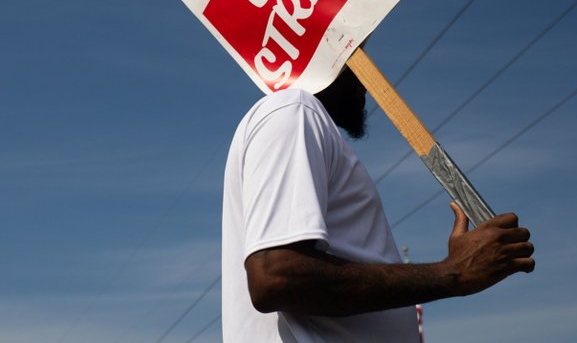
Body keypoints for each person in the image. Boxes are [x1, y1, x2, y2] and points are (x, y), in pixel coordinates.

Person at [221, 66, 535, 343]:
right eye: (355, 56)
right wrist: (452, 273)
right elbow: (277, 278)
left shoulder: (302, 122)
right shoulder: (294, 112)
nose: (367, 81)